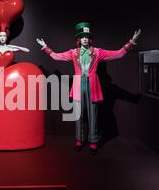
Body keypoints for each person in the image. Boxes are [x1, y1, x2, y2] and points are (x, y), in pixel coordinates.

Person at [36, 22, 141, 155]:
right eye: (82, 36)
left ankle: (93, 141)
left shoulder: (97, 52)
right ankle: (79, 140)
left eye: (87, 36)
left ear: (90, 38)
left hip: (93, 85)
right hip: (78, 84)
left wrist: (131, 42)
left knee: (93, 114)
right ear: (78, 39)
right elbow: (57, 56)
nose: (85, 39)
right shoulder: (73, 53)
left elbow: (118, 54)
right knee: (78, 115)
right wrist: (46, 47)